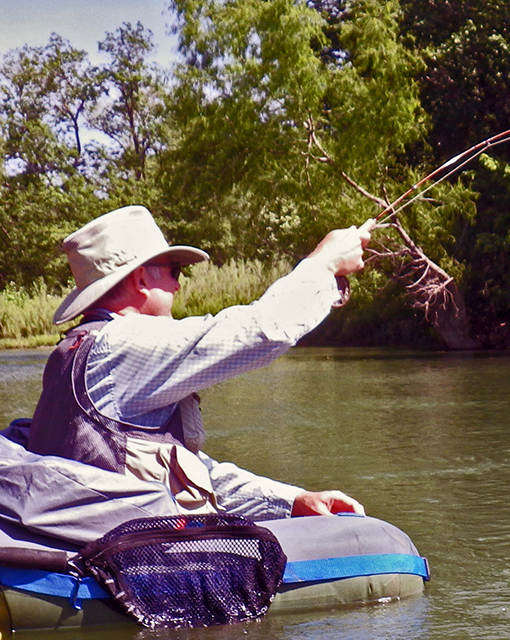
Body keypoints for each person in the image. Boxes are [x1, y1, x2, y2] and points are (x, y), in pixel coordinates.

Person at [27, 205, 373, 522]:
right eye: (174, 270)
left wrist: (291, 501)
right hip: (134, 557)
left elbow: (189, 472)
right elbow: (262, 331)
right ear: (141, 279)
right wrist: (324, 263)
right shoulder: (122, 345)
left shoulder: (77, 348)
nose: (178, 284)